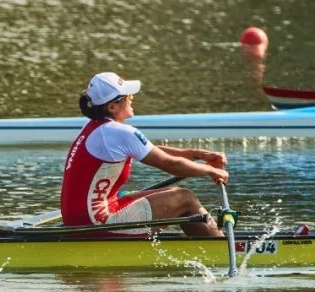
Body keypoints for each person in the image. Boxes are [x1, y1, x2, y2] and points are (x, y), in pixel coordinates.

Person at [60, 72, 228, 237]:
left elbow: (150, 149)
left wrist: (199, 154)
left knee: (172, 192)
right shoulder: (117, 132)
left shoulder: (95, 127)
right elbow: (172, 165)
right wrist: (212, 171)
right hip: (95, 222)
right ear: (112, 107)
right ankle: (222, 249)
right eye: (128, 97)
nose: (132, 99)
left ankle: (208, 242)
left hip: (80, 218)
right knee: (184, 198)